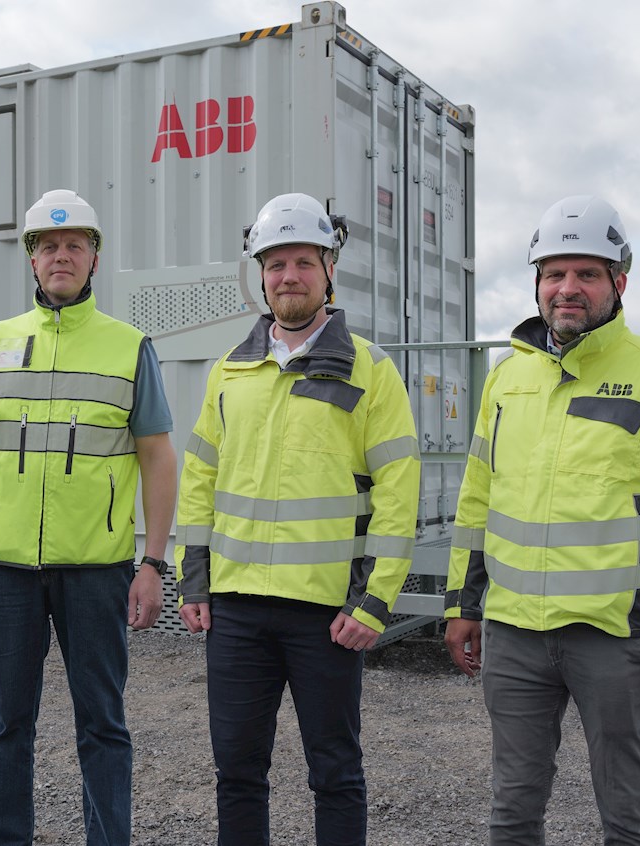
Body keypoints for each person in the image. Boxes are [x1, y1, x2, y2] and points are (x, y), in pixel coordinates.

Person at [443, 195, 640, 845]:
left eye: (587, 273)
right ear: (537, 283)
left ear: (619, 283)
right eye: (554, 273)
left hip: (615, 635)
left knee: (627, 816)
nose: (567, 287)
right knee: (512, 811)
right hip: (514, 632)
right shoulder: (507, 379)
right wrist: (463, 604)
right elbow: (477, 500)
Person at [175, 192, 421, 846]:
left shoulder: (371, 370)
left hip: (327, 615)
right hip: (236, 609)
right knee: (236, 773)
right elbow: (200, 480)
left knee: (335, 773)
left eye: (303, 262)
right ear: (260, 273)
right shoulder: (230, 371)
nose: (289, 276)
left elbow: (398, 492)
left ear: (329, 268)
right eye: (275, 263)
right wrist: (193, 581)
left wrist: (375, 600)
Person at [0, 188, 178, 846]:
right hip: (3, 570)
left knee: (103, 724)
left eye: (75, 245)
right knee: (6, 725)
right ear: (32, 259)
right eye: (48, 246)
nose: (61, 256)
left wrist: (153, 563)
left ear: (95, 258)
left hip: (97, 572)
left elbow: (158, 458)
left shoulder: (129, 347)